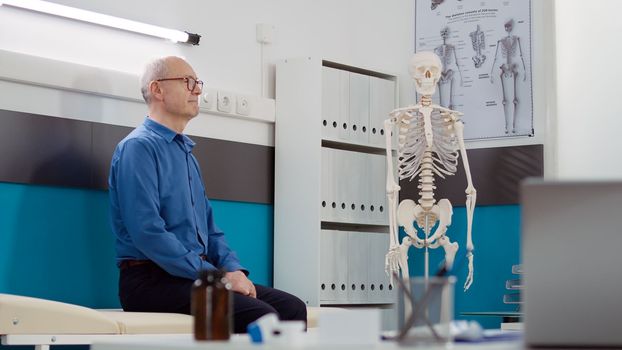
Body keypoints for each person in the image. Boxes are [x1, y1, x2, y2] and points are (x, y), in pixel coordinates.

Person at [108, 56, 307, 333]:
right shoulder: (138, 148)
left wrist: (233, 270)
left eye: (198, 83)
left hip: (195, 277)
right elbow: (147, 232)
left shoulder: (186, 154)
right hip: (150, 281)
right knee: (261, 316)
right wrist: (219, 277)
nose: (197, 90)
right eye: (187, 82)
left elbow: (211, 231)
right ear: (157, 89)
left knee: (292, 308)